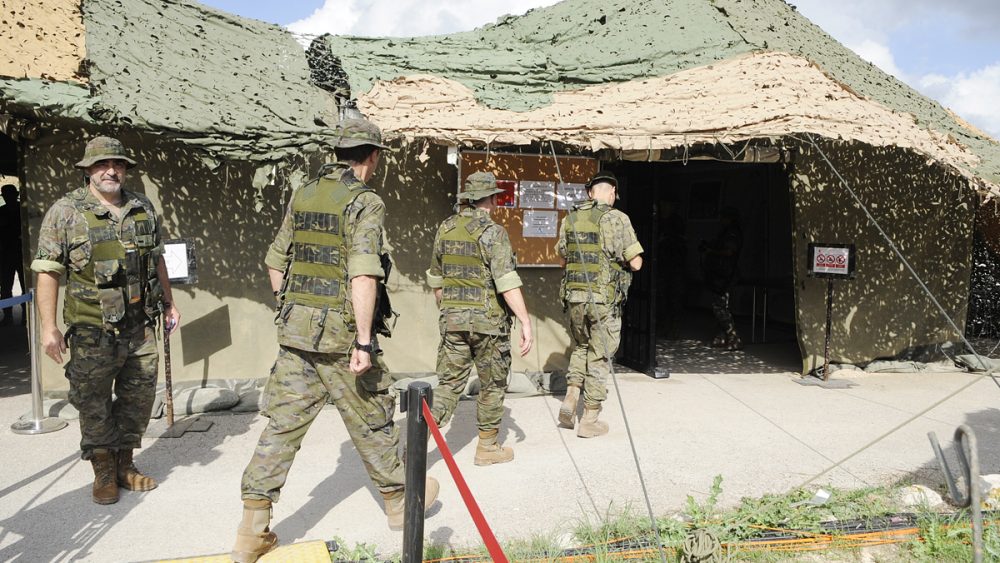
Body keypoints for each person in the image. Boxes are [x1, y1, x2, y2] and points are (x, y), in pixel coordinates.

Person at [233, 117, 437, 563]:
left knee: (281, 428)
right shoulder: (365, 202)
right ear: (373, 156)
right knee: (372, 418)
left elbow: (274, 261)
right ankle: (400, 503)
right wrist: (363, 342)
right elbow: (363, 272)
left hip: (295, 335)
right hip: (341, 338)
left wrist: (291, 308)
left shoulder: (304, 194)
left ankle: (252, 531)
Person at [31, 136, 181, 505]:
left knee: (138, 397)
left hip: (140, 325)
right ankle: (102, 470)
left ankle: (125, 464)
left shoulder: (141, 207)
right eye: (101, 165)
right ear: (88, 171)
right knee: (93, 401)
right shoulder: (65, 212)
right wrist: (48, 327)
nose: (111, 171)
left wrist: (169, 302)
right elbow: (48, 271)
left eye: (117, 164)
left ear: (126, 169)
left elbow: (157, 259)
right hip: (92, 329)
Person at [425, 171, 533, 466]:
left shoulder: (445, 228)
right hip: (488, 325)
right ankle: (487, 449)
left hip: (453, 322)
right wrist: (525, 321)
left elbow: (436, 280)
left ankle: (416, 445)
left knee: (447, 385)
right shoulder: (493, 233)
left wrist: (449, 311)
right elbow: (506, 282)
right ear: (492, 199)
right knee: (492, 385)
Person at [557, 171, 643, 437]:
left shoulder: (570, 218)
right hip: (602, 301)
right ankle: (590, 419)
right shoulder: (618, 219)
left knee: (581, 346)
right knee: (599, 354)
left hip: (574, 298)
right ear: (612, 193)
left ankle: (571, 396)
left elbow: (561, 258)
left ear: (590, 193)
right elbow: (637, 263)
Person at [700, 206, 743, 351]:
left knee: (720, 306)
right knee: (719, 305)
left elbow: (729, 251)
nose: (722, 220)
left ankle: (733, 337)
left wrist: (712, 251)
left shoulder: (732, 233)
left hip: (726, 275)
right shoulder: (726, 232)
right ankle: (722, 336)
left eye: (724, 217)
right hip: (721, 274)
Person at [1, 184, 26, 325]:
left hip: (21, 254)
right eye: (6, 195)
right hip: (6, 255)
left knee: (25, 286)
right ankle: (8, 315)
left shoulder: (22, 211)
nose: (7, 197)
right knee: (5, 287)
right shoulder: (2, 211)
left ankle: (25, 315)